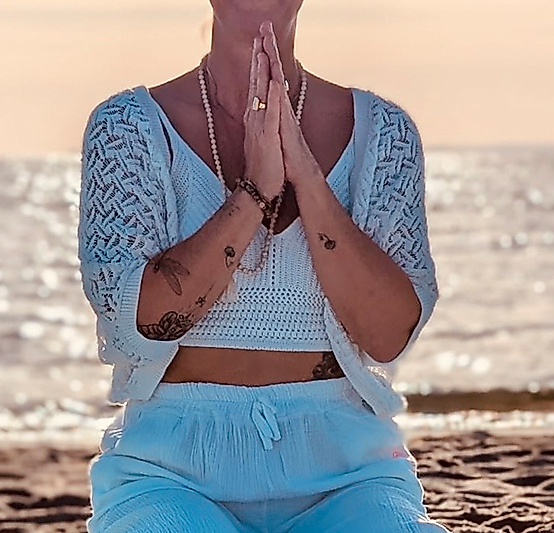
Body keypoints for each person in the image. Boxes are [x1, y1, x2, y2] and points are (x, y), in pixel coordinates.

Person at [76, 2, 450, 532]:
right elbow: (138, 321)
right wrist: (254, 192)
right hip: (171, 471)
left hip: (347, 472)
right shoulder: (128, 128)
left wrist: (308, 179)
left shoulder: (383, 134)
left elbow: (389, 336)